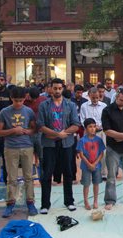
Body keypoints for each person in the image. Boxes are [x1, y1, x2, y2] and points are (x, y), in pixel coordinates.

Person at [37, 78, 81, 214]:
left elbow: (76, 124)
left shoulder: (70, 105)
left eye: (59, 88)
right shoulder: (44, 105)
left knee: (68, 172)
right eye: (54, 88)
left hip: (66, 143)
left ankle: (69, 201)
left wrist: (64, 133)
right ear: (50, 89)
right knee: (47, 174)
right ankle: (45, 204)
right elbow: (40, 125)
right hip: (49, 144)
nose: (57, 91)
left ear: (63, 89)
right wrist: (56, 134)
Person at [0, 87, 38, 218]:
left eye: (21, 100)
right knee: (11, 178)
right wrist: (13, 131)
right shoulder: (4, 112)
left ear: (25, 98)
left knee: (29, 177)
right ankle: (10, 203)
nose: (18, 103)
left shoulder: (29, 111)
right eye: (16, 101)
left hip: (26, 146)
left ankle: (30, 202)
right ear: (11, 98)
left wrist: (26, 131)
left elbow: (33, 129)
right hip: (11, 147)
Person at [77, 118, 106, 210]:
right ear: (85, 128)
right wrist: (89, 164)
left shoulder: (99, 140)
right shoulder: (82, 140)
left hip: (97, 166)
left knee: (96, 183)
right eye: (90, 127)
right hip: (86, 166)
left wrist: (95, 163)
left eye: (94, 126)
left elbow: (101, 153)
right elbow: (81, 154)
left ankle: (95, 201)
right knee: (86, 184)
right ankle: (86, 201)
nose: (93, 129)